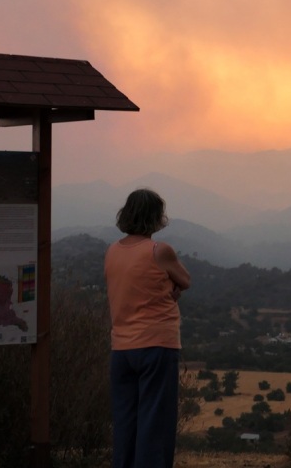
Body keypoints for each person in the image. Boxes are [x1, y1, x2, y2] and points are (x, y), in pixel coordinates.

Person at [105, 188, 191, 468]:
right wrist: (171, 285)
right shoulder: (159, 250)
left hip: (121, 348)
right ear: (156, 217)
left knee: (125, 425)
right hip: (156, 346)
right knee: (155, 425)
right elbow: (186, 280)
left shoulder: (112, 251)